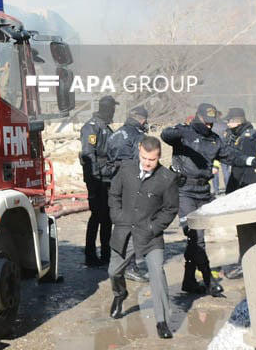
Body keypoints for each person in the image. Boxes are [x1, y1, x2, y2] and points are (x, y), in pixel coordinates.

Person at [162, 103, 256, 296]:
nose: (209, 126)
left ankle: (189, 281)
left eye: (212, 123)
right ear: (198, 117)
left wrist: (251, 161)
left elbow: (231, 156)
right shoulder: (184, 133)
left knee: (194, 239)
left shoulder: (214, 140)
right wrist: (181, 132)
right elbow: (165, 135)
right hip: (184, 190)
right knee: (196, 238)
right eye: (206, 122)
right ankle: (208, 280)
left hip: (203, 191)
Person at [107, 136, 178, 340]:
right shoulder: (126, 169)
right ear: (139, 151)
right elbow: (114, 195)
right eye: (145, 158)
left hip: (150, 237)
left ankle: (162, 321)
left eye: (152, 160)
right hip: (124, 232)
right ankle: (120, 294)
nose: (147, 163)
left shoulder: (167, 178)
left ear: (159, 157)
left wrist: (153, 227)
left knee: (157, 272)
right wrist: (117, 217)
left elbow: (170, 209)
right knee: (113, 272)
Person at [106, 105, 152, 281]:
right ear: (141, 119)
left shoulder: (115, 134)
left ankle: (118, 264)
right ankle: (130, 267)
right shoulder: (138, 137)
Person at [80, 95, 118, 266]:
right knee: (97, 216)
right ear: (106, 109)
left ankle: (105, 253)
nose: (114, 112)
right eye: (112, 109)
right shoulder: (92, 127)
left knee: (107, 218)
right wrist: (95, 179)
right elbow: (89, 153)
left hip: (107, 178)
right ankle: (90, 254)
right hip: (97, 180)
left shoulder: (106, 128)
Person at [222, 108, 256, 193]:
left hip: (246, 175)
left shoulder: (248, 135)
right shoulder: (234, 133)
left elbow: (243, 156)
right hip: (236, 172)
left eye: (229, 121)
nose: (228, 124)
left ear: (238, 121)